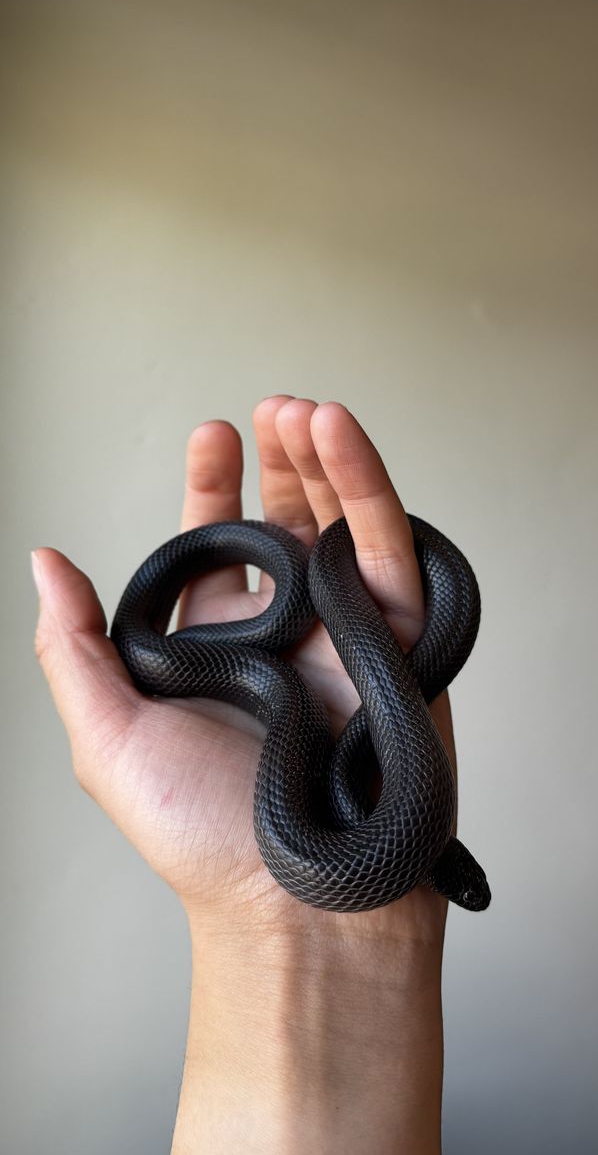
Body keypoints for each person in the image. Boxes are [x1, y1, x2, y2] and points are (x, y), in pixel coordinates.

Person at [33, 396, 459, 1154]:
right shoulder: (307, 732)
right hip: (285, 655)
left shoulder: (347, 788)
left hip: (296, 663)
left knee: (336, 586)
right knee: (323, 607)